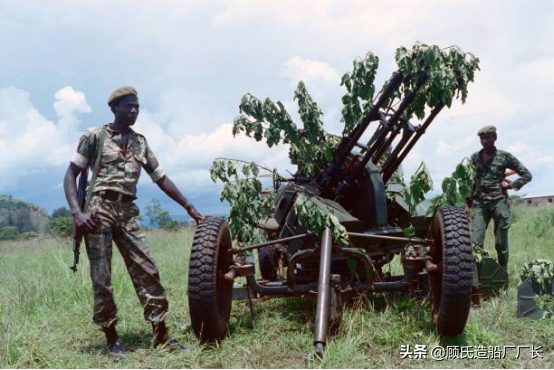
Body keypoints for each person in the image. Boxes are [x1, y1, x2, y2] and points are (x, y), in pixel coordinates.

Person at [63, 86, 204, 360]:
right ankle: (112, 338)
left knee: (147, 269)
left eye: (137, 107)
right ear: (114, 108)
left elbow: (161, 178)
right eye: (128, 106)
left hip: (127, 210)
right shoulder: (94, 137)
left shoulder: (141, 142)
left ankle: (161, 333)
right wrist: (77, 214)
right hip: (98, 211)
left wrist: (188, 206)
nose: (134, 111)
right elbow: (70, 175)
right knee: (102, 277)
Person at [465, 125, 532, 273]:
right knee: (475, 243)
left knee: (501, 243)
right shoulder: (474, 158)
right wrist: (467, 203)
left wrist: (510, 186)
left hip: (498, 202)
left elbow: (527, 175)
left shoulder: (504, 156)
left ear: (495, 138)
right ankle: (476, 278)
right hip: (479, 204)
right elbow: (471, 181)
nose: (485, 141)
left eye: (488, 137)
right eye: (482, 138)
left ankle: (502, 275)